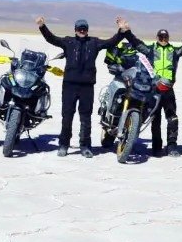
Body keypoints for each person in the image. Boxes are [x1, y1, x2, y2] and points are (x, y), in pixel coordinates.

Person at [36, 15, 130, 158]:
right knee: (67, 116)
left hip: (87, 86)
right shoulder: (68, 41)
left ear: (87, 30)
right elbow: (52, 39)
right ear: (75, 30)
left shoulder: (94, 42)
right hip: (69, 85)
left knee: (85, 117)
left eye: (84, 29)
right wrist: (42, 27)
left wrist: (121, 31)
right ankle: (64, 144)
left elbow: (111, 42)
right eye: (79, 29)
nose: (82, 31)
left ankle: (85, 146)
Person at [125, 16, 182, 157]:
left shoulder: (174, 51)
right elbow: (136, 43)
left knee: (172, 118)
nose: (163, 39)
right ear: (157, 37)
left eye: (165, 37)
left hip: (168, 89)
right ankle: (156, 147)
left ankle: (172, 146)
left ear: (168, 38)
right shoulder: (150, 50)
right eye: (161, 37)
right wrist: (126, 32)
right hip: (153, 89)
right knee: (155, 119)